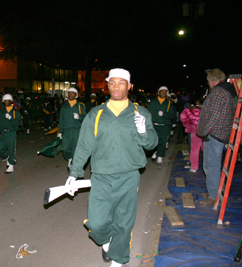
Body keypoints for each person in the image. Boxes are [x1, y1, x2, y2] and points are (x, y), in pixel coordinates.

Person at [66, 68, 158, 267]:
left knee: (123, 222)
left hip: (128, 175)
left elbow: (151, 143)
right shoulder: (96, 114)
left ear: (129, 86)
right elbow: (84, 145)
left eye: (121, 83)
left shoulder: (139, 113)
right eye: (112, 83)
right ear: (108, 86)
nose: (116, 87)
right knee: (97, 223)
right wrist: (74, 172)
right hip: (101, 176)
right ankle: (106, 240)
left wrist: (143, 131)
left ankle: (118, 259)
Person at [196, 68, 236, 205]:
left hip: (214, 134)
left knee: (211, 165)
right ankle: (214, 189)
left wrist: (203, 131)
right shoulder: (226, 91)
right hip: (219, 132)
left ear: (212, 80)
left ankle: (213, 197)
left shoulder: (219, 92)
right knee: (210, 164)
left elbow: (214, 116)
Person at [147, 86, 177, 165]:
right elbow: (148, 114)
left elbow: (172, 115)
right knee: (154, 141)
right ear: (158, 92)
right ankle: (156, 152)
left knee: (163, 141)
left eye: (165, 92)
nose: (164, 93)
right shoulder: (153, 102)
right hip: (154, 125)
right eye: (162, 91)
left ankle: (160, 157)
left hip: (164, 126)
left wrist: (165, 114)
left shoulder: (169, 103)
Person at [58, 87, 86, 168]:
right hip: (66, 130)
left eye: (72, 93)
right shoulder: (64, 106)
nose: (70, 94)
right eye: (69, 93)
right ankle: (69, 158)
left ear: (76, 95)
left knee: (74, 148)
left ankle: (73, 164)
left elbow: (85, 118)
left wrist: (79, 117)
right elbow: (61, 119)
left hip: (76, 130)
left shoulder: (80, 105)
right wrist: (60, 131)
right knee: (65, 149)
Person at [0, 94, 21, 173]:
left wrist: (11, 119)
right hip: (3, 133)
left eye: (7, 100)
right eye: (4, 101)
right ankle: (6, 157)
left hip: (11, 133)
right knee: (0, 149)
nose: (6, 102)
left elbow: (18, 123)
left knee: (11, 150)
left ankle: (11, 165)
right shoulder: (2, 112)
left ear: (10, 101)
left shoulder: (15, 111)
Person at [180, 99, 203, 172]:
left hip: (194, 130)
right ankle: (209, 166)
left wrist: (188, 126)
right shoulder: (206, 108)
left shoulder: (188, 110)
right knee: (206, 149)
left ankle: (194, 167)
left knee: (194, 149)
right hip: (205, 131)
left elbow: (182, 118)